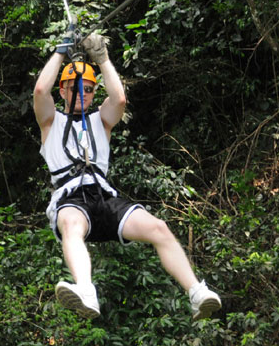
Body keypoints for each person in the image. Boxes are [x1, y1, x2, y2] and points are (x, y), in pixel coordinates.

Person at [33, 29, 221, 321]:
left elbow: (119, 99)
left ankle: (197, 291)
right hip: (72, 196)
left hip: (104, 196)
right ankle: (85, 290)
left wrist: (103, 58)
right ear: (64, 90)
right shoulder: (50, 122)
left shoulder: (100, 122)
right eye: (75, 87)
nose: (82, 93)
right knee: (70, 222)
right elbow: (40, 92)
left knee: (158, 228)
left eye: (89, 89)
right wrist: (60, 51)